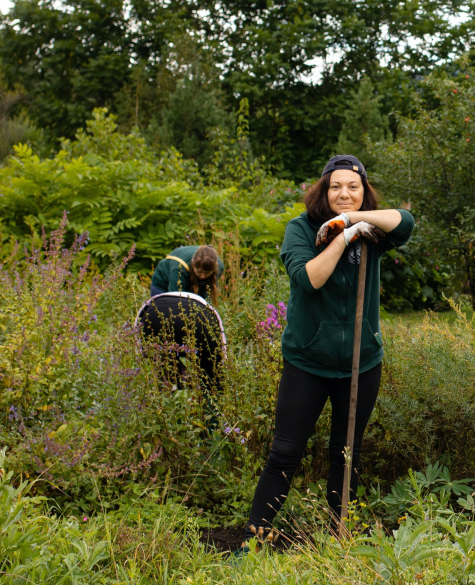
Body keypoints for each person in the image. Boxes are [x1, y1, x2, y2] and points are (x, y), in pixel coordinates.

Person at [242, 155, 414, 548]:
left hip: (361, 362)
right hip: (308, 361)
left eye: (353, 187)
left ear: (364, 191)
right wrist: (343, 236)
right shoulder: (299, 229)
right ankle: (255, 536)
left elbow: (406, 221)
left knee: (346, 453)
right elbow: (309, 280)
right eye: (336, 186)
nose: (344, 194)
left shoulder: (373, 225)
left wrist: (355, 221)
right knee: (285, 451)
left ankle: (339, 536)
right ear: (323, 190)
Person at [135, 292, 226, 393]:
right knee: (212, 379)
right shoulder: (209, 314)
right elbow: (221, 362)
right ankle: (209, 402)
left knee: (159, 376)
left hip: (151, 316)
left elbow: (140, 357)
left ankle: (166, 396)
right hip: (199, 320)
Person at [150, 245, 224, 304]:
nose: (202, 276)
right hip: (163, 285)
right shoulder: (178, 269)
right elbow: (176, 301)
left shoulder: (218, 267)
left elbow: (205, 295)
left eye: (207, 273)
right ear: (193, 263)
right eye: (199, 272)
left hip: (190, 282)